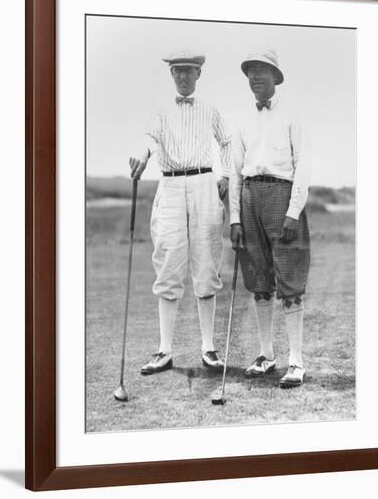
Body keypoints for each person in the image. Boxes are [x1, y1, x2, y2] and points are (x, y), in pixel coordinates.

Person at [129, 50, 231, 375]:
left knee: (206, 265)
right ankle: (164, 350)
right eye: (178, 71)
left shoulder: (211, 109)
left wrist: (226, 174)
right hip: (170, 187)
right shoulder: (160, 111)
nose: (184, 76)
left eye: (189, 71)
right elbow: (148, 137)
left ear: (199, 74)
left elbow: (227, 142)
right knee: (169, 263)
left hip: (204, 184)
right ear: (171, 74)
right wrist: (141, 156)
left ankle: (209, 349)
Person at [229, 49, 311, 388]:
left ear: (275, 77)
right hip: (249, 198)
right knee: (259, 280)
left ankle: (296, 361)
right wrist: (234, 218)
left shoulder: (293, 115)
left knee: (289, 279)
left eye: (262, 70)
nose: (255, 77)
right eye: (251, 71)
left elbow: (303, 166)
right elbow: (235, 172)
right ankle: (266, 355)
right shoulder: (242, 120)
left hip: (282, 196)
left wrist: (293, 211)